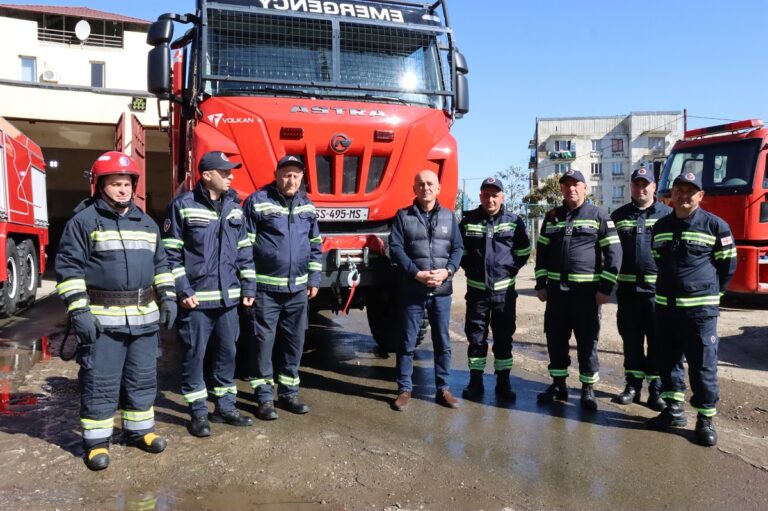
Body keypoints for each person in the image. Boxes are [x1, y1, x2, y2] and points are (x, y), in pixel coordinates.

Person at [56, 151, 177, 471]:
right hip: (102, 322)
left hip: (144, 322)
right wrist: (79, 311)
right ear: (99, 186)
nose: (122, 189)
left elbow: (161, 264)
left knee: (142, 379)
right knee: (101, 382)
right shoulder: (83, 222)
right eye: (115, 184)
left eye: (126, 183)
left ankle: (140, 432)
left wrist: (168, 297)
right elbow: (69, 270)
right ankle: (96, 443)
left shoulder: (147, 222)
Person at [163, 151, 256, 437]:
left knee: (228, 354)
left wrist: (249, 285)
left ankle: (225, 408)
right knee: (195, 356)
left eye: (231, 172)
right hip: (197, 302)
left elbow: (244, 251)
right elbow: (170, 253)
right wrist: (183, 290)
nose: (231, 176)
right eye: (225, 172)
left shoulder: (235, 207)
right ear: (206, 175)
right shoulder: (183, 205)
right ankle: (198, 413)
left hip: (228, 301)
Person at [647, 171, 737, 446]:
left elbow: (728, 265)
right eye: (679, 190)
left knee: (703, 366)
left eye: (691, 191)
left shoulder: (715, 226)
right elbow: (658, 258)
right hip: (665, 309)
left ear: (700, 196)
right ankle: (673, 410)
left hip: (700, 313)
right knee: (668, 362)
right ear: (671, 195)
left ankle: (705, 419)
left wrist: (711, 295)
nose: (684, 196)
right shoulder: (660, 226)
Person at [534, 168, 621, 410]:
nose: (571, 188)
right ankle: (559, 384)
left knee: (586, 342)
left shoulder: (599, 215)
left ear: (585, 188)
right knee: (555, 340)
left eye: (576, 184)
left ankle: (587, 389)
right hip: (557, 295)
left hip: (586, 295)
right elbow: (542, 253)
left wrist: (605, 288)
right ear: (561, 188)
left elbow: (614, 254)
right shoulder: (552, 217)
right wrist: (541, 283)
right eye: (566, 184)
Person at [242, 155, 322, 421]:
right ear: (277, 175)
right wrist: (249, 286)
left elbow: (315, 246)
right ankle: (264, 397)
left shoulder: (307, 205)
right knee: (263, 343)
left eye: (296, 176)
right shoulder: (257, 201)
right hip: (266, 289)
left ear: (302, 179)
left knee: (294, 342)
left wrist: (314, 279)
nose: (291, 180)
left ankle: (288, 393)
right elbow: (245, 249)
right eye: (286, 174)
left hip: (297, 291)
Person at [389, 170, 463, 411]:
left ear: (438, 188)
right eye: (420, 184)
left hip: (441, 291)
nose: (426, 188)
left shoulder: (449, 217)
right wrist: (416, 273)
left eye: (430, 184)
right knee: (407, 342)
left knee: (442, 342)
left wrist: (448, 271)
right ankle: (404, 389)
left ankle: (443, 389)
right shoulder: (403, 216)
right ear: (414, 189)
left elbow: (458, 249)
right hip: (412, 289)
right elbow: (396, 248)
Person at [459, 177, 530, 403]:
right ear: (480, 196)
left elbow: (524, 250)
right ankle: (476, 381)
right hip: (477, 293)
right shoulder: (468, 221)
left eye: (495, 195)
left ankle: (503, 382)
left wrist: (510, 269)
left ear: (502, 197)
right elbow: (459, 250)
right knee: (476, 338)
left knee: (503, 339)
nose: (490, 199)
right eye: (486, 195)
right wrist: (471, 269)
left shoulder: (514, 221)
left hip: (504, 294)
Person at [610, 167, 672, 411]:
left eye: (645, 184)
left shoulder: (668, 215)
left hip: (657, 292)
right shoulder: (619, 216)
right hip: (627, 292)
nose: (641, 188)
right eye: (636, 184)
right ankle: (633, 386)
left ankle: (656, 390)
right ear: (631, 187)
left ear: (654, 187)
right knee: (631, 341)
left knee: (658, 342)